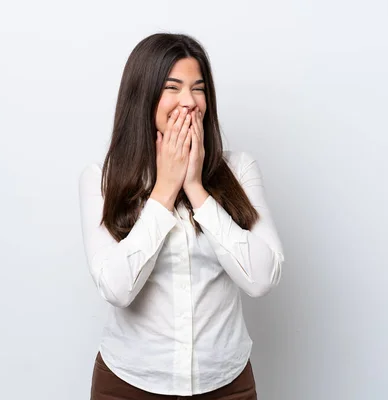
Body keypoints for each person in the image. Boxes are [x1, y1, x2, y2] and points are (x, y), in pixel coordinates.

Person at [78, 33, 285, 400]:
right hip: (128, 385)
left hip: (226, 384)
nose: (189, 102)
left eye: (198, 88)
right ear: (144, 97)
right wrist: (164, 191)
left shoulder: (240, 170)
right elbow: (116, 288)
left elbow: (262, 278)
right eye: (173, 88)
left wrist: (196, 189)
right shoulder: (102, 179)